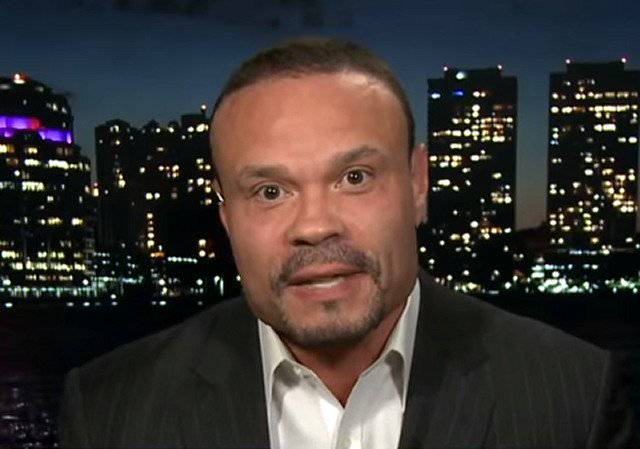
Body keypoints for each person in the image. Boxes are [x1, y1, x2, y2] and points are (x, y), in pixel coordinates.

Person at [59, 38, 636, 448]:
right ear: (227, 216)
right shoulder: (109, 410)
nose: (315, 225)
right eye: (269, 191)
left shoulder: (573, 396)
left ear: (417, 185)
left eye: (354, 178)